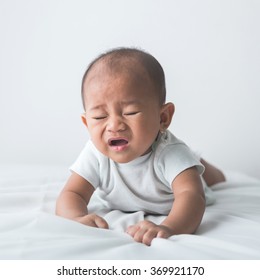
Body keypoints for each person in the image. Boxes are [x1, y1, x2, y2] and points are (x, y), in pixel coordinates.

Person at [56, 47, 225, 246]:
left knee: (208, 175)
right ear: (87, 123)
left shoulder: (170, 154)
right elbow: (71, 194)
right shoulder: (95, 154)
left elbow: (192, 196)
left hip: (183, 178)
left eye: (130, 112)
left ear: (163, 117)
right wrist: (76, 218)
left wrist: (168, 227)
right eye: (100, 117)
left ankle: (200, 163)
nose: (114, 125)